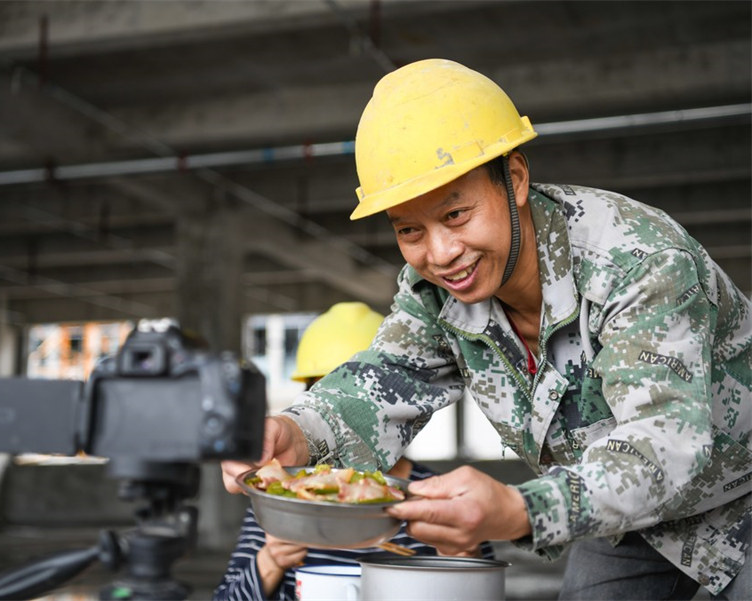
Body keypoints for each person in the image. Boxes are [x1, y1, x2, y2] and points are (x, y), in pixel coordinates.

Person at [222, 59, 751, 600]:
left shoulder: (637, 259)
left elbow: (667, 441)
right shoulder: (432, 292)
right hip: (623, 512)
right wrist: (297, 432)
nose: (441, 254)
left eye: (455, 216)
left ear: (514, 179)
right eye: (410, 229)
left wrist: (522, 509)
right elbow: (384, 380)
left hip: (740, 492)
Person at [214, 301, 494, 601]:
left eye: (359, 400)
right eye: (324, 394)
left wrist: (463, 561)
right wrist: (271, 561)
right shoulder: (282, 499)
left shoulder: (437, 498)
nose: (343, 412)